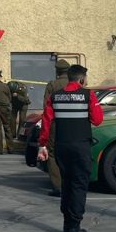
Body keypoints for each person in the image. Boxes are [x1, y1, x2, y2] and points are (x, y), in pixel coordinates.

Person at [38, 64, 103, 232]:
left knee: (66, 184)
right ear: (82, 79)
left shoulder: (55, 96)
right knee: (79, 185)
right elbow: (97, 120)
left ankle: (67, 224)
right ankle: (74, 227)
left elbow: (46, 120)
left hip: (61, 146)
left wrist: (42, 145)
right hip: (80, 146)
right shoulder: (88, 95)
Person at [41, 59, 71, 197]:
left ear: (57, 70)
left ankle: (58, 186)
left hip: (55, 123)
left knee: (52, 154)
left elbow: (46, 107)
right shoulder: (74, 84)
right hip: (72, 124)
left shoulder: (53, 85)